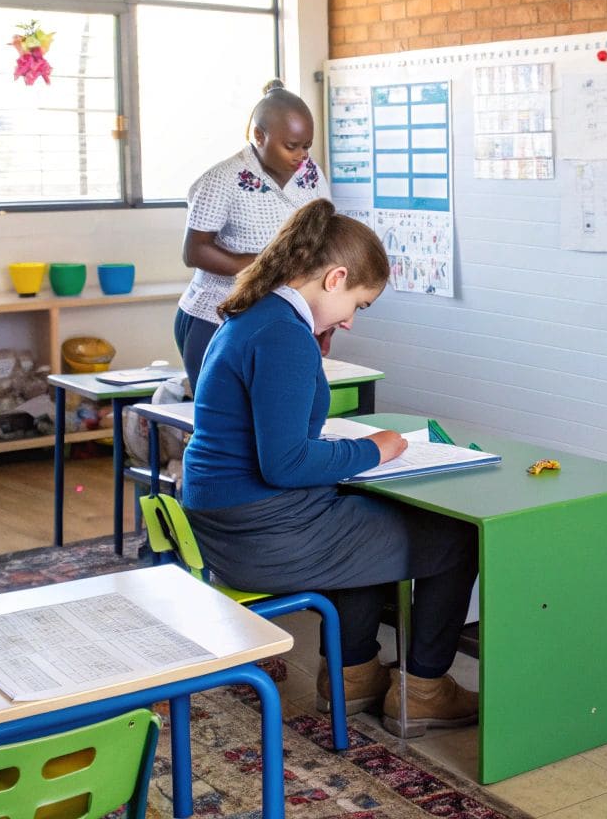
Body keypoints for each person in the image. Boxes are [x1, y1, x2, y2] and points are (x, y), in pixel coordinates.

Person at [182, 199, 480, 736]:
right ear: (335, 277)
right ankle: (426, 690)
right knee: (458, 539)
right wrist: (376, 449)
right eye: (357, 305)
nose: (348, 321)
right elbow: (287, 463)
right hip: (259, 534)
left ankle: (355, 676)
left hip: (226, 521)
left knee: (357, 518)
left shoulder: (254, 315)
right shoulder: (283, 336)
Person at [175, 78, 326, 388]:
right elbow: (194, 251)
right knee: (225, 420)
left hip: (281, 315)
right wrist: (265, 266)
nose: (301, 155)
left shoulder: (310, 175)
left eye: (307, 145)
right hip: (216, 316)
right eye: (291, 146)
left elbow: (324, 232)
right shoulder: (222, 179)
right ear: (259, 136)